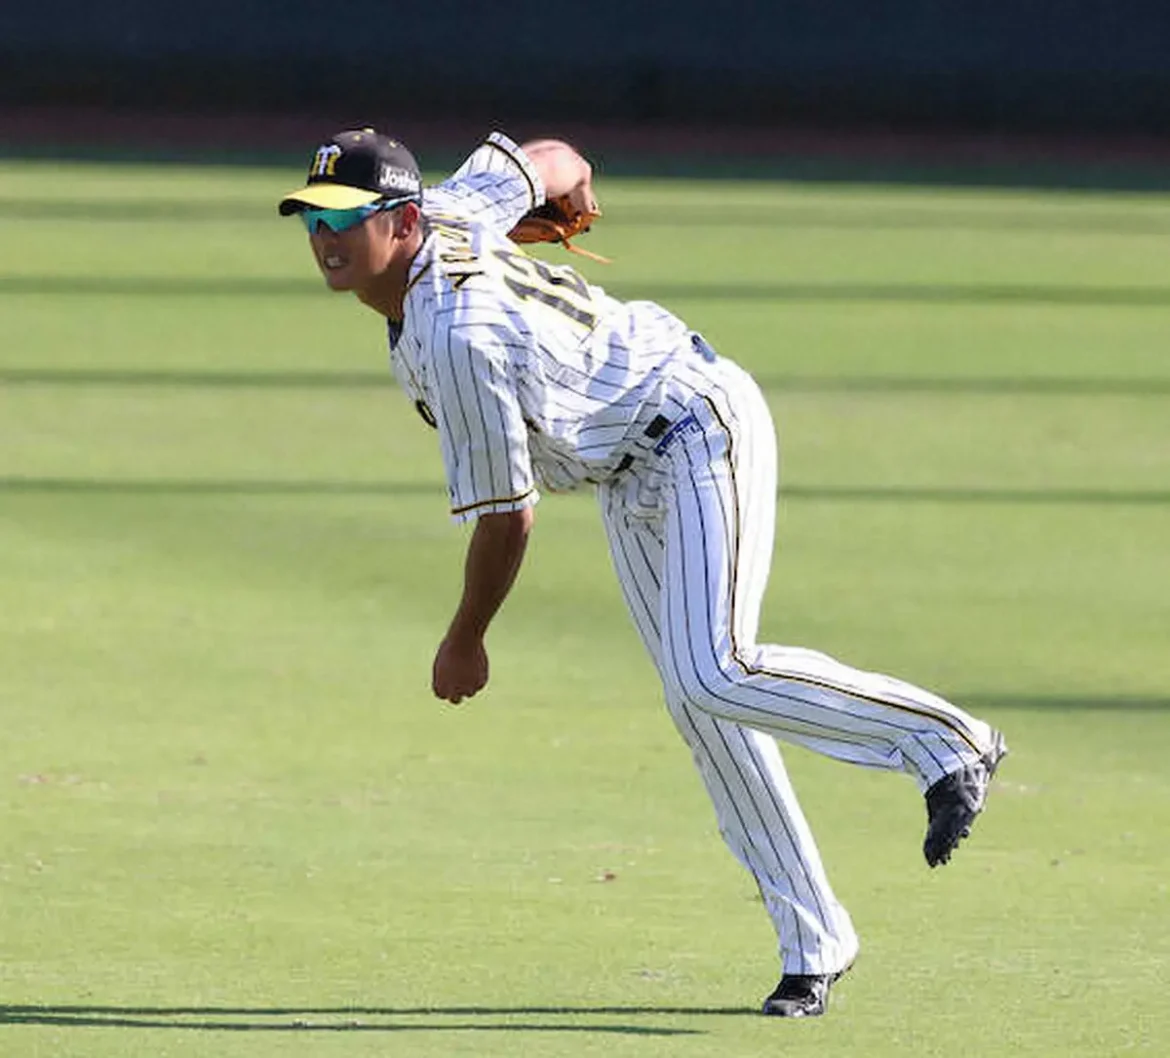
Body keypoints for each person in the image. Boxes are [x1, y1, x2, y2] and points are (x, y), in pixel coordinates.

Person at [277, 128, 1007, 1018]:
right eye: (313, 219)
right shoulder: (455, 206)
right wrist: (575, 187)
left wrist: (466, 638)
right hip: (626, 469)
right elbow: (551, 158)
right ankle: (814, 945)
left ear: (401, 220)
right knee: (703, 708)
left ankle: (947, 742)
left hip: (696, 425)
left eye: (345, 219)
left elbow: (509, 517)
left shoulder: (456, 334)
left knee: (717, 670)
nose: (325, 237)